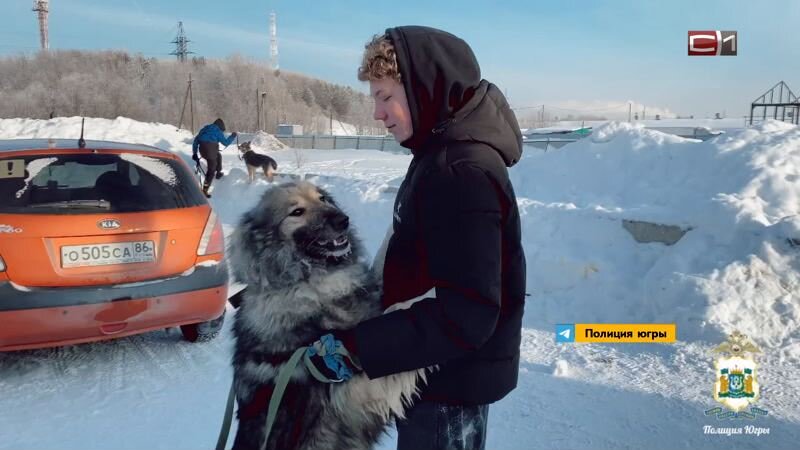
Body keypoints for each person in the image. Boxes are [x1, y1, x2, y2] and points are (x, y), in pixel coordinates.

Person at [308, 26, 526, 450]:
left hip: (447, 384)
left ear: (426, 89)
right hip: (434, 371)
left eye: (386, 96)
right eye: (375, 98)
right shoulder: (439, 154)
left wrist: (358, 348)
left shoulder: (460, 171)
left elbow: (467, 310)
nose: (378, 113)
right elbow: (420, 266)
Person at [192, 118, 237, 197]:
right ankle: (204, 190)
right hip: (210, 151)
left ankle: (218, 172)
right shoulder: (218, 131)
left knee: (218, 155)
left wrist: (195, 153)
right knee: (211, 170)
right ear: (220, 127)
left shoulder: (204, 129)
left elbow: (195, 141)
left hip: (202, 150)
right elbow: (225, 143)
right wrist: (232, 136)